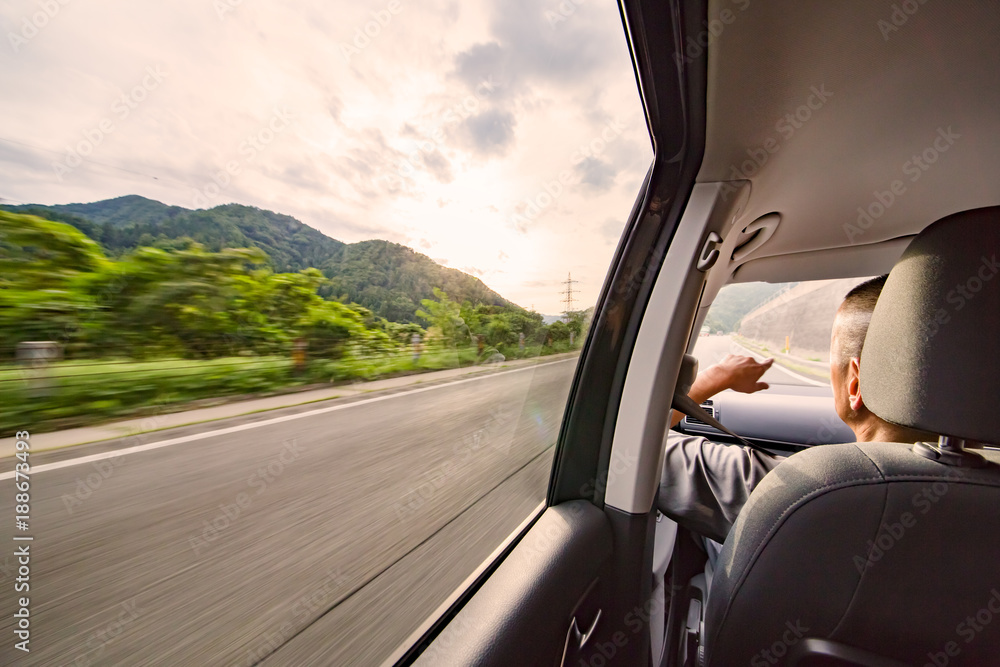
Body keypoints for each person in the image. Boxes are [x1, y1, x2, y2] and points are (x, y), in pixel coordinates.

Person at [658, 275, 935, 544]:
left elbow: (632, 448)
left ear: (855, 384)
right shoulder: (974, 504)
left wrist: (713, 378)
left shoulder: (794, 489)